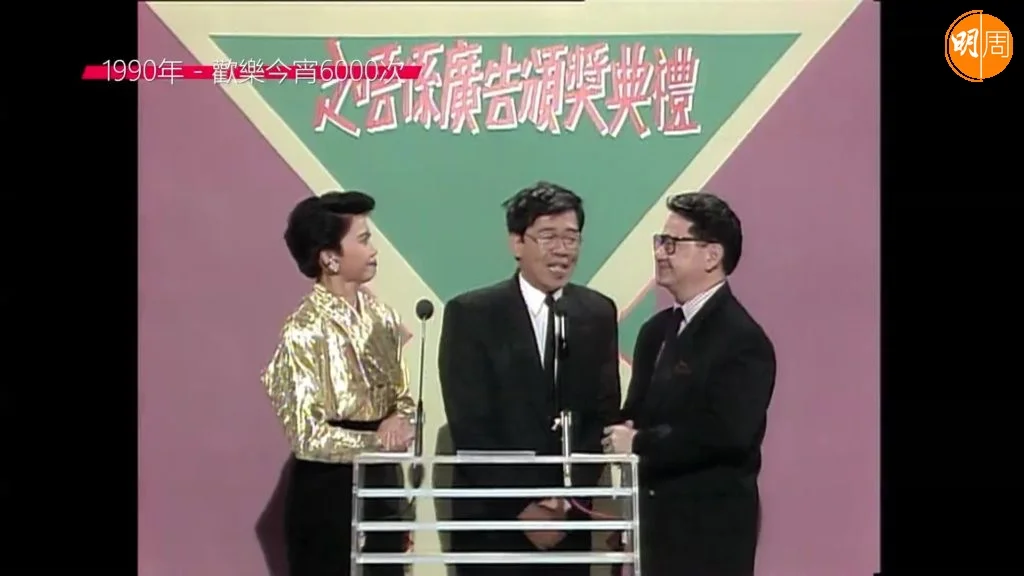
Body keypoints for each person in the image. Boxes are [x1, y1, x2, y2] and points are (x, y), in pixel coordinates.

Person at [439, 182, 622, 576]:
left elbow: (601, 416)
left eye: (571, 237)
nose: (562, 250)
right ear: (517, 243)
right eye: (548, 236)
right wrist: (525, 507)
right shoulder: (471, 314)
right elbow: (470, 424)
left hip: (567, 526)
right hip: (493, 524)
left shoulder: (597, 313)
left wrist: (566, 501)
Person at [603, 192, 776, 576]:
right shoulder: (655, 331)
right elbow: (638, 413)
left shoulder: (743, 341)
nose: (659, 253)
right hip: (649, 529)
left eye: (672, 243)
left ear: (712, 255)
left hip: (706, 538)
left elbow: (725, 433)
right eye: (659, 242)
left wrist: (639, 443)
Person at [261, 191, 414, 576]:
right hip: (328, 491)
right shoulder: (303, 330)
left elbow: (402, 396)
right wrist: (379, 442)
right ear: (329, 258)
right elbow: (308, 437)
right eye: (363, 240)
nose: (374, 250)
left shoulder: (382, 316)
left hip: (382, 485)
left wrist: (400, 418)